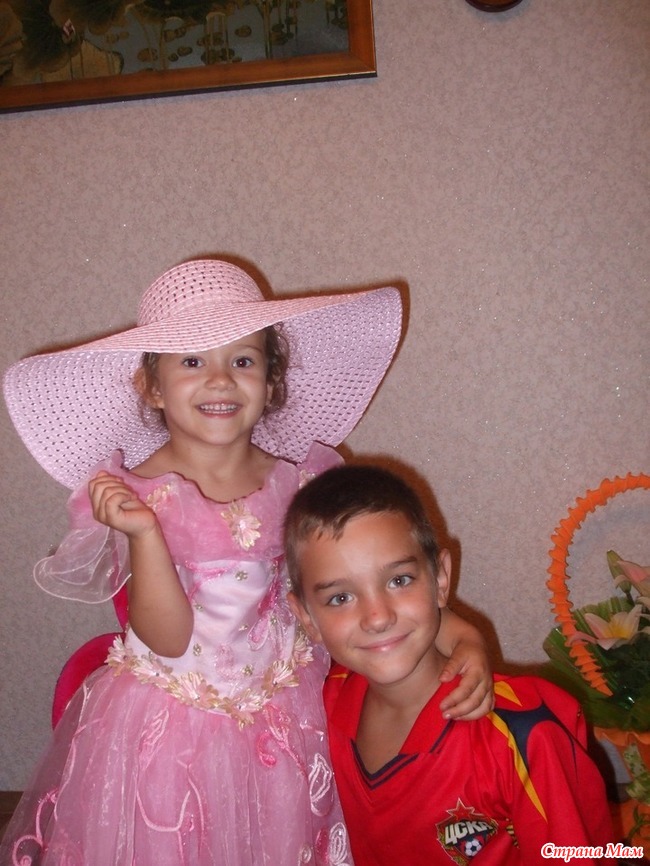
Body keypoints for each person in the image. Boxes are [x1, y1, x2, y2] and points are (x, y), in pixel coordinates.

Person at [1, 259, 492, 866]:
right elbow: (168, 640)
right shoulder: (135, 494)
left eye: (242, 360)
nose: (220, 380)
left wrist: (465, 639)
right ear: (151, 385)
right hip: (169, 734)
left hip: (288, 721)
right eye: (191, 361)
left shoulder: (302, 482)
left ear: (270, 380)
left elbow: (369, 588)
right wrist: (144, 533)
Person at [285, 464, 617, 866]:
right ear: (307, 618)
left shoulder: (522, 735)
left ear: (440, 578)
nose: (378, 617)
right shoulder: (314, 711)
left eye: (399, 580)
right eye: (340, 598)